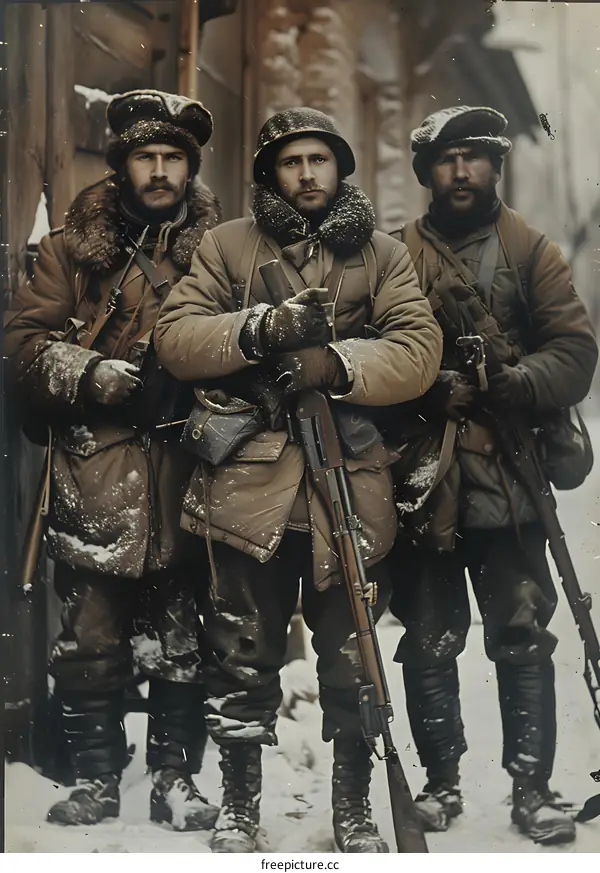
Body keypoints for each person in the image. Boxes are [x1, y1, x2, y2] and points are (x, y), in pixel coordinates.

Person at [154, 106, 443, 852]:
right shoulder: (226, 246)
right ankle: (239, 807)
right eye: (291, 161)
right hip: (248, 483)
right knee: (240, 652)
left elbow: (418, 347)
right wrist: (260, 331)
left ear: (340, 167)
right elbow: (176, 338)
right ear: (270, 174)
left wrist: (337, 364)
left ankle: (354, 809)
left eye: (319, 159)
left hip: (346, 484)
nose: (307, 174)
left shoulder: (382, 253)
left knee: (353, 655)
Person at [4, 90, 222, 830]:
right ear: (121, 163)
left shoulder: (222, 249)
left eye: (172, 158)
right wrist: (89, 372)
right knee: (90, 641)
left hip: (191, 469)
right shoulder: (71, 250)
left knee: (184, 641)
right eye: (145, 156)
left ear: (189, 168)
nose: (159, 171)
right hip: (95, 471)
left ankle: (175, 780)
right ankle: (98, 779)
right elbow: (23, 347)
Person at [386, 105, 598, 845]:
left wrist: (521, 381)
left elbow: (574, 350)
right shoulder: (396, 255)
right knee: (428, 634)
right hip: (425, 476)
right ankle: (440, 785)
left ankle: (532, 788)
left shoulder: (529, 250)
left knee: (522, 630)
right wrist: (423, 390)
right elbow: (371, 352)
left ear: (494, 167)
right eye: (446, 160)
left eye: (474, 158)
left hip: (510, 475)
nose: (461, 172)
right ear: (426, 172)